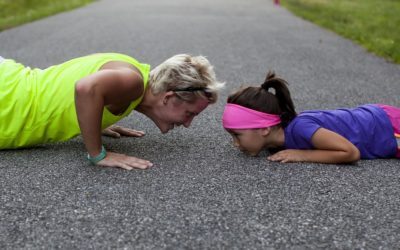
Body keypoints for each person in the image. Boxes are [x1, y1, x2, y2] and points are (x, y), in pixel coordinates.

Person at [0, 53, 224, 170]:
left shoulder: (133, 76)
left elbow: (76, 88)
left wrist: (94, 120)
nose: (188, 124)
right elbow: (86, 88)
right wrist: (98, 154)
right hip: (8, 101)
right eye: (190, 113)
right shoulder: (133, 82)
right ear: (169, 97)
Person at [222, 71, 400, 164]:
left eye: (237, 135)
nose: (235, 143)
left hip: (388, 127)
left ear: (264, 128)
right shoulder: (276, 141)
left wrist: (302, 155)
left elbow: (350, 153)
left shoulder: (300, 128)